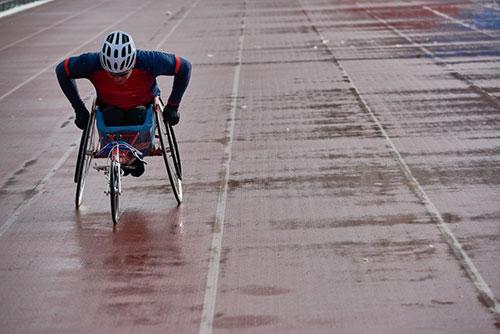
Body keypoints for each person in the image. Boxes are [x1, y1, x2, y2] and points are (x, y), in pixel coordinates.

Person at [55, 31, 191, 177]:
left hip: (143, 107)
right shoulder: (92, 63)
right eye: (112, 74)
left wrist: (173, 106)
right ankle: (127, 158)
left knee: (137, 114)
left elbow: (184, 67)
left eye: (123, 73)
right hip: (110, 108)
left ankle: (131, 157)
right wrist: (79, 109)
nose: (118, 79)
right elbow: (62, 70)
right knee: (112, 115)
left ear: (133, 63)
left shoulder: (149, 60)